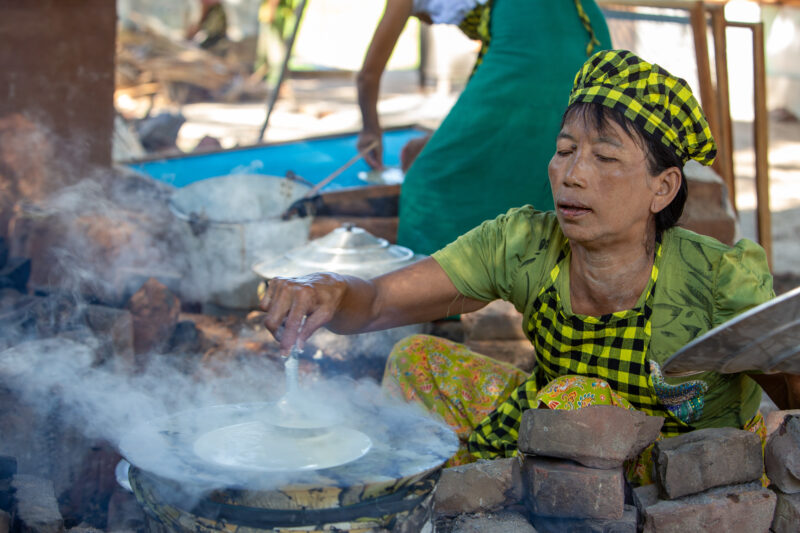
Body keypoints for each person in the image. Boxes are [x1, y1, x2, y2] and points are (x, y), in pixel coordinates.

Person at [261, 50, 789, 485]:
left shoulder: (719, 278)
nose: (572, 174)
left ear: (663, 187)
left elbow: (788, 382)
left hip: (681, 478)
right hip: (554, 440)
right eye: (564, 151)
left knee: (570, 398)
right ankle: (477, 490)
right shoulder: (524, 243)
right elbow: (376, 302)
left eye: (604, 158)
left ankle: (499, 479)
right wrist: (325, 290)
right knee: (416, 360)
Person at [357, 0, 612, 256]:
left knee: (426, 188)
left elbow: (368, 74)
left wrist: (370, 130)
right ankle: (532, 276)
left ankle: (426, 288)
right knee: (545, 167)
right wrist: (436, 140)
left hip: (531, 43)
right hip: (587, 32)